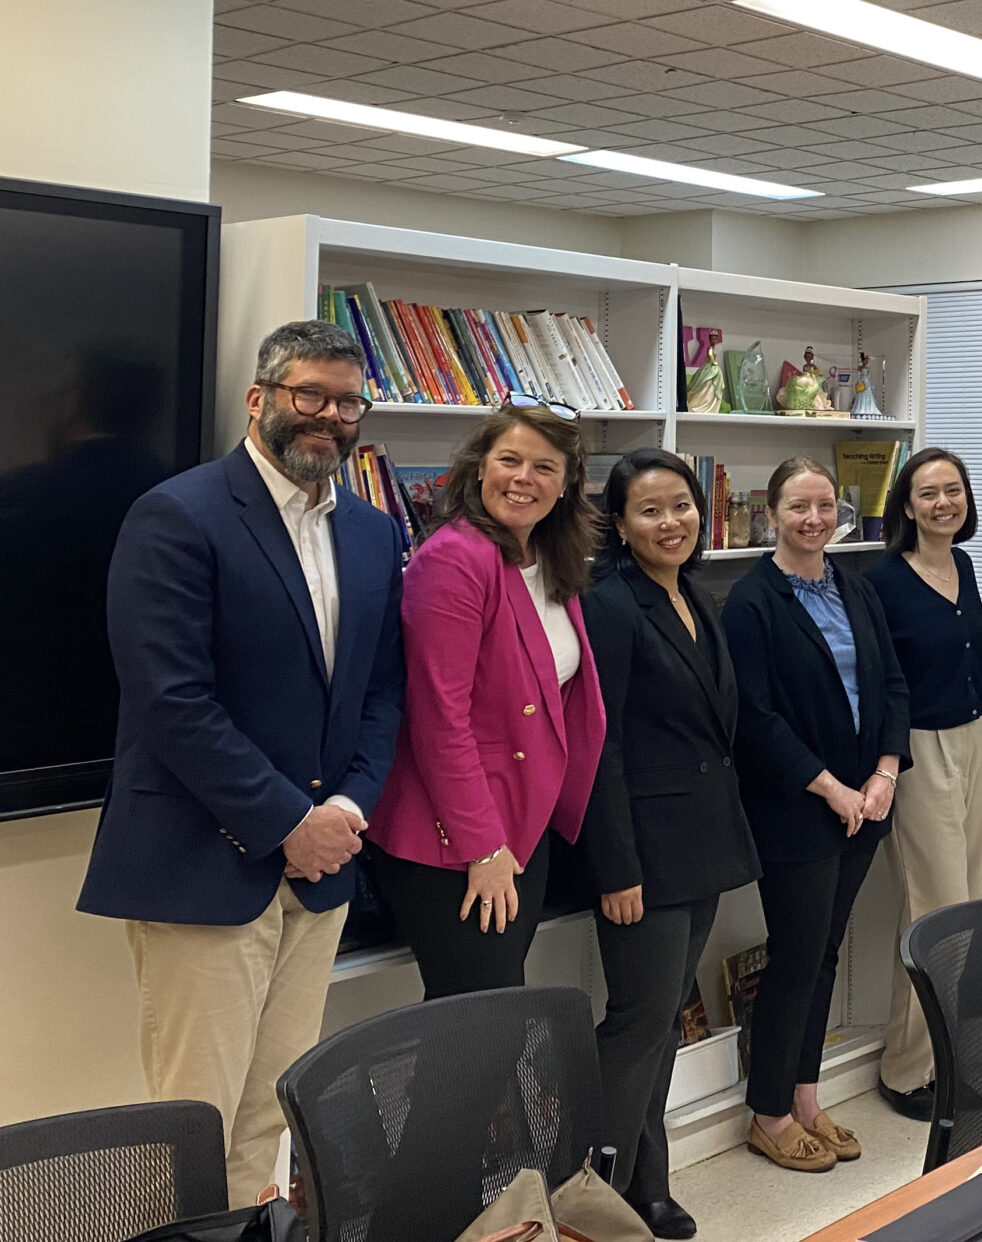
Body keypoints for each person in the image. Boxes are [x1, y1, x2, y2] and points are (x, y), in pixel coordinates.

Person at [76, 320, 406, 1205]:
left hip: (323, 865)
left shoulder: (373, 535)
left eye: (347, 402)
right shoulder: (177, 514)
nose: (328, 417)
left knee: (271, 1110)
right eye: (309, 395)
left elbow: (383, 690)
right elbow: (170, 699)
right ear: (260, 399)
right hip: (202, 860)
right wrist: (286, 824)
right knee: (192, 1122)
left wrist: (347, 812)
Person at [364, 397, 604, 998]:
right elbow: (439, 720)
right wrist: (484, 846)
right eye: (509, 460)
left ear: (567, 483)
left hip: (524, 819)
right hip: (454, 837)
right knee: (473, 1031)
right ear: (479, 468)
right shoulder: (452, 560)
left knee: (476, 1034)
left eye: (545, 467)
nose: (524, 479)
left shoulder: (547, 555)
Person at [581, 450, 761, 1238]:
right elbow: (600, 746)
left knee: (659, 1024)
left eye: (682, 506)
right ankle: (595, 1191)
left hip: (701, 844)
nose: (671, 522)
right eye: (650, 511)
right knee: (636, 1024)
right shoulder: (611, 606)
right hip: (643, 857)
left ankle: (643, 1181)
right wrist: (617, 866)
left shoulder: (696, 593)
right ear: (619, 524)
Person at [724, 457, 910, 1173]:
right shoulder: (750, 602)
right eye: (799, 507)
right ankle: (767, 1113)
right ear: (771, 513)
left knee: (825, 953)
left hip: (867, 803)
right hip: (799, 812)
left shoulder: (856, 588)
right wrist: (829, 786)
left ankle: (805, 1093)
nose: (814, 519)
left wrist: (886, 772)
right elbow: (758, 719)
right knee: (795, 957)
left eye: (826, 506)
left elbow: (892, 685)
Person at [864, 447, 982, 1121]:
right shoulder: (883, 581)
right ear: (906, 505)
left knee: (967, 905)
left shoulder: (966, 564)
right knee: (934, 914)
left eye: (954, 490)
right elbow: (880, 681)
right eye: (928, 493)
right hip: (920, 752)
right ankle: (906, 1067)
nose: (944, 502)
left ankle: (944, 1053)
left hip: (979, 740)